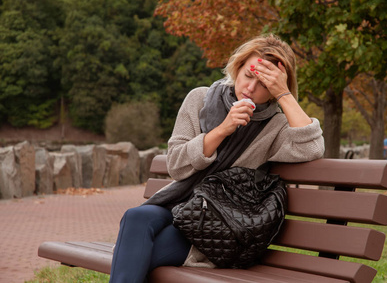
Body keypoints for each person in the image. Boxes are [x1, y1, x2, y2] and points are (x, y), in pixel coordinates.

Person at [109, 34, 325, 282]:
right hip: (178, 202)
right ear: (237, 67)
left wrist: (285, 94)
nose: (251, 89)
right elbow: (177, 167)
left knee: (137, 253)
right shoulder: (200, 99)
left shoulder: (276, 127)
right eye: (248, 75)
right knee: (137, 216)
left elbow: (312, 148)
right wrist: (222, 129)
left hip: (214, 224)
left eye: (265, 84)